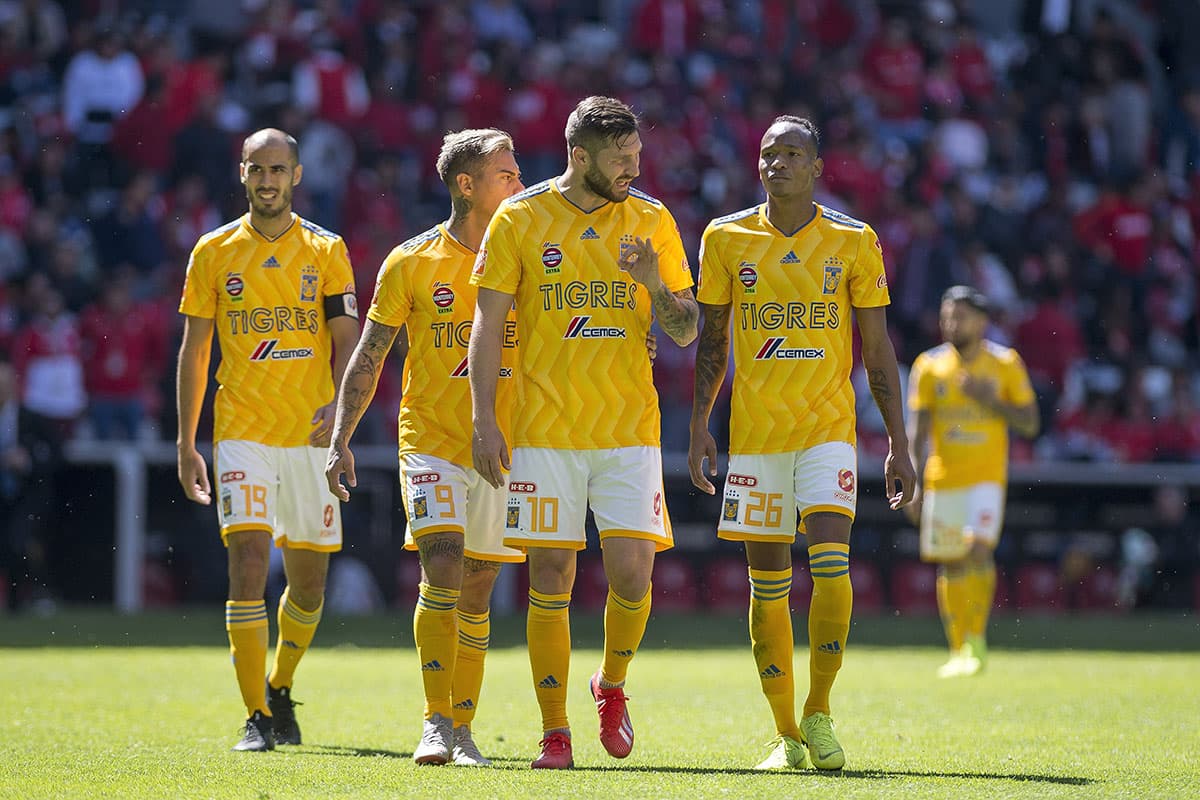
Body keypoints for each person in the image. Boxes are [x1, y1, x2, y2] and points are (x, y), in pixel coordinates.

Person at [469, 95, 698, 769]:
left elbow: (686, 331)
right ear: (579, 155)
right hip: (544, 431)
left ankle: (613, 685)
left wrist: (655, 285)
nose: (634, 168)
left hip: (628, 430)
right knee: (551, 575)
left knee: (632, 578)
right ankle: (554, 732)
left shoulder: (652, 220)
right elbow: (487, 326)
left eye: (638, 156)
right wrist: (485, 418)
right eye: (620, 158)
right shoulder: (521, 217)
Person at [688, 115, 916, 771]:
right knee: (767, 584)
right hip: (755, 438)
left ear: (817, 167)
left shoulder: (853, 240)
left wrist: (899, 444)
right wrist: (701, 423)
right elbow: (712, 343)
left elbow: (877, 353)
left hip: (827, 431)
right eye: (767, 153)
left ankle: (819, 711)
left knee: (831, 566)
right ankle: (786, 733)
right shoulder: (725, 237)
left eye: (792, 153)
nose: (777, 162)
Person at [323, 128, 528, 767]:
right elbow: (371, 354)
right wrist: (340, 438)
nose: (520, 183)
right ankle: (436, 723)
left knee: (478, 586)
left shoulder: (529, 257)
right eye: (506, 173)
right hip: (431, 442)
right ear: (466, 186)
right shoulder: (410, 262)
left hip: (505, 448)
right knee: (441, 565)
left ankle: (463, 726)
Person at [176, 128, 359, 752]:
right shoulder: (213, 251)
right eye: (258, 169)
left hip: (310, 434)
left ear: (297, 176)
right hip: (241, 431)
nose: (268, 180)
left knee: (308, 585)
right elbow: (196, 351)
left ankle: (280, 684)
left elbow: (345, 339)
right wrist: (186, 442)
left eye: (279, 169)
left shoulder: (327, 250)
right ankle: (255, 715)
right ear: (243, 173)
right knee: (248, 560)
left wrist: (341, 413)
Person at [905, 285, 1038, 677]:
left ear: (982, 321)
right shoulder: (928, 367)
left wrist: (989, 400)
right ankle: (958, 647)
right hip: (942, 478)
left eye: (959, 316)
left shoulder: (1005, 363)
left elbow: (1030, 423)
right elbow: (917, 430)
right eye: (946, 316)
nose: (951, 323)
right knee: (949, 562)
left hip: (985, 478)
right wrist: (912, 481)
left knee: (977, 550)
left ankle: (976, 641)